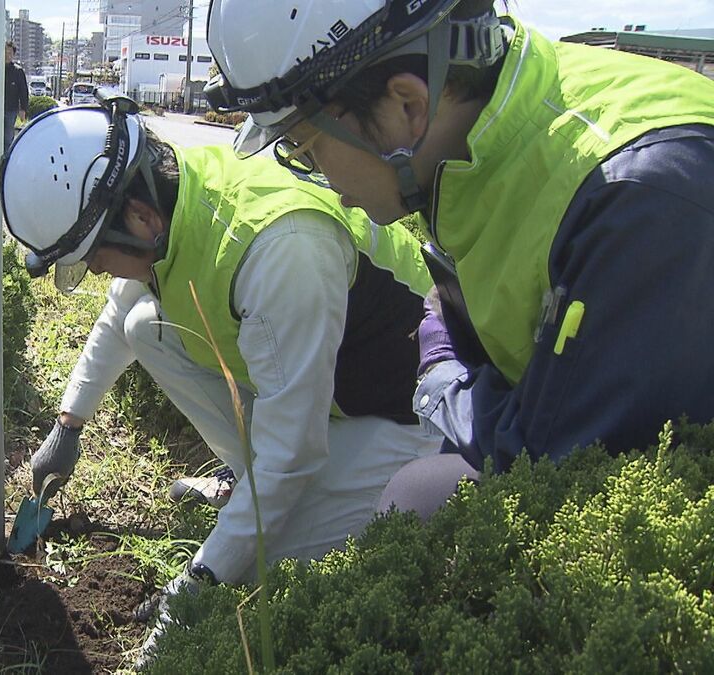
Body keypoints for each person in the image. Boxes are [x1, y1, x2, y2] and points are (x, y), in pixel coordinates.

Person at [204, 0, 714, 516]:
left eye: (304, 147)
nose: (318, 176)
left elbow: (572, 473)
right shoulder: (465, 136)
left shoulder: (640, 200)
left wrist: (441, 379)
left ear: (407, 104)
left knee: (419, 499)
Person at [0, 93, 442, 661]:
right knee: (145, 325)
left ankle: (278, 505)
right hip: (324, 399)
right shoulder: (175, 195)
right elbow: (119, 311)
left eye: (94, 258)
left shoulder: (281, 251)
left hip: (408, 420)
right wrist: (69, 425)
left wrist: (197, 587)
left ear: (139, 218)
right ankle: (248, 493)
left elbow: (290, 457)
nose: (96, 273)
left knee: (266, 562)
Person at [3, 41, 29, 153]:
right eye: (5, 52)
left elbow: (23, 91)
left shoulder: (18, 71)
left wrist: (23, 109)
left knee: (8, 138)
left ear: (13, 55)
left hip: (10, 109)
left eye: (10, 53)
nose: (7, 55)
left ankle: (6, 160)